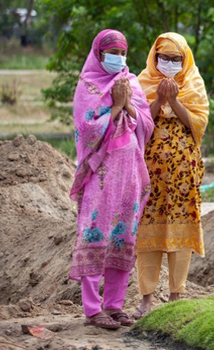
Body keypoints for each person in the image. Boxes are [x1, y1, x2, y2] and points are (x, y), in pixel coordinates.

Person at [69, 29, 154, 329]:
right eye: (112, 53)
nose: (118, 58)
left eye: (122, 52)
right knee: (96, 233)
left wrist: (127, 104)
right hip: (101, 175)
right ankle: (93, 309)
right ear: (98, 53)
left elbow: (146, 123)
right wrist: (116, 106)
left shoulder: (130, 82)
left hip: (129, 172)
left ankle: (115, 305)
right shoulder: (88, 86)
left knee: (123, 235)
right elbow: (87, 127)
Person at [133, 32, 209, 319]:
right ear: (155, 57)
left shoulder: (193, 83)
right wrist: (159, 100)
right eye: (163, 58)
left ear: (184, 59)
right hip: (149, 170)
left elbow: (198, 125)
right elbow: (138, 123)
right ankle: (146, 299)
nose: (169, 63)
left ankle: (177, 295)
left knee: (180, 229)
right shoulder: (142, 82)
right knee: (148, 231)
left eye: (175, 59)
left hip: (183, 172)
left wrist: (174, 102)